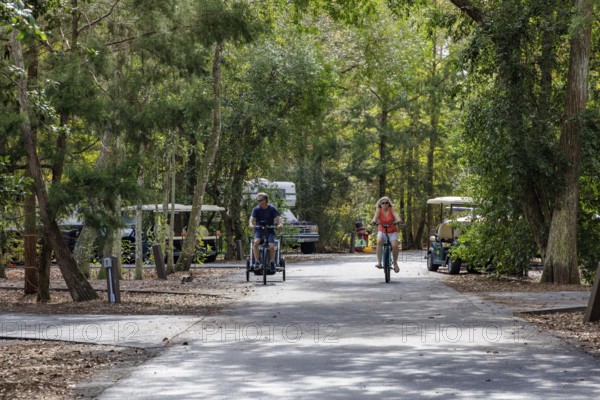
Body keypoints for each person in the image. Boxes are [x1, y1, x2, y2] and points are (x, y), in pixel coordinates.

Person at [249, 192, 284, 272]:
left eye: (260, 200)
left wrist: (280, 224)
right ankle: (257, 262)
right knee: (256, 243)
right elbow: (252, 218)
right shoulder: (256, 209)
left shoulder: (272, 208)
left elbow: (278, 217)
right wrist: (251, 224)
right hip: (259, 230)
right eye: (258, 201)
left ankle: (272, 262)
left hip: (270, 230)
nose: (259, 202)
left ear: (265, 200)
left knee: (271, 246)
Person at [371, 196, 402, 273]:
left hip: (392, 230)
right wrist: (373, 221)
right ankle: (379, 263)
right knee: (379, 242)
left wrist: (399, 220)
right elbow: (375, 217)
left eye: (386, 203)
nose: (385, 204)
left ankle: (395, 263)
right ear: (380, 204)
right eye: (383, 203)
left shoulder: (392, 210)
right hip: (382, 230)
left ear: (389, 204)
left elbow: (396, 215)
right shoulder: (379, 210)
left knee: (395, 245)